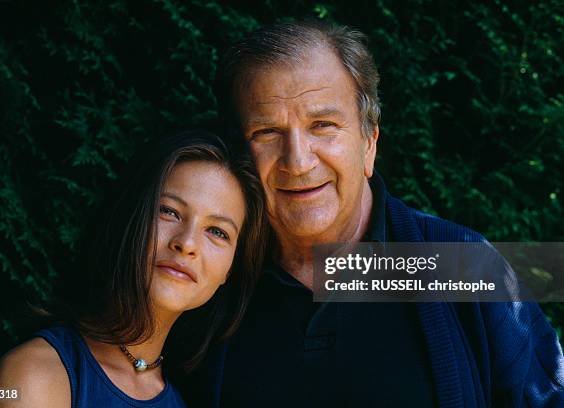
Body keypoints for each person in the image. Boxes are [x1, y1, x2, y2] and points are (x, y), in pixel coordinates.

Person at [176, 21, 564, 407]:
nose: (297, 161)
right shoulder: (203, 277)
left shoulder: (465, 266)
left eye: (323, 125)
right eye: (267, 133)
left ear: (369, 143)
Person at [0, 131, 267, 407]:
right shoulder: (33, 377)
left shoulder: (181, 399)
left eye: (218, 231)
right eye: (169, 211)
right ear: (130, 218)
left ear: (229, 269)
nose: (187, 243)